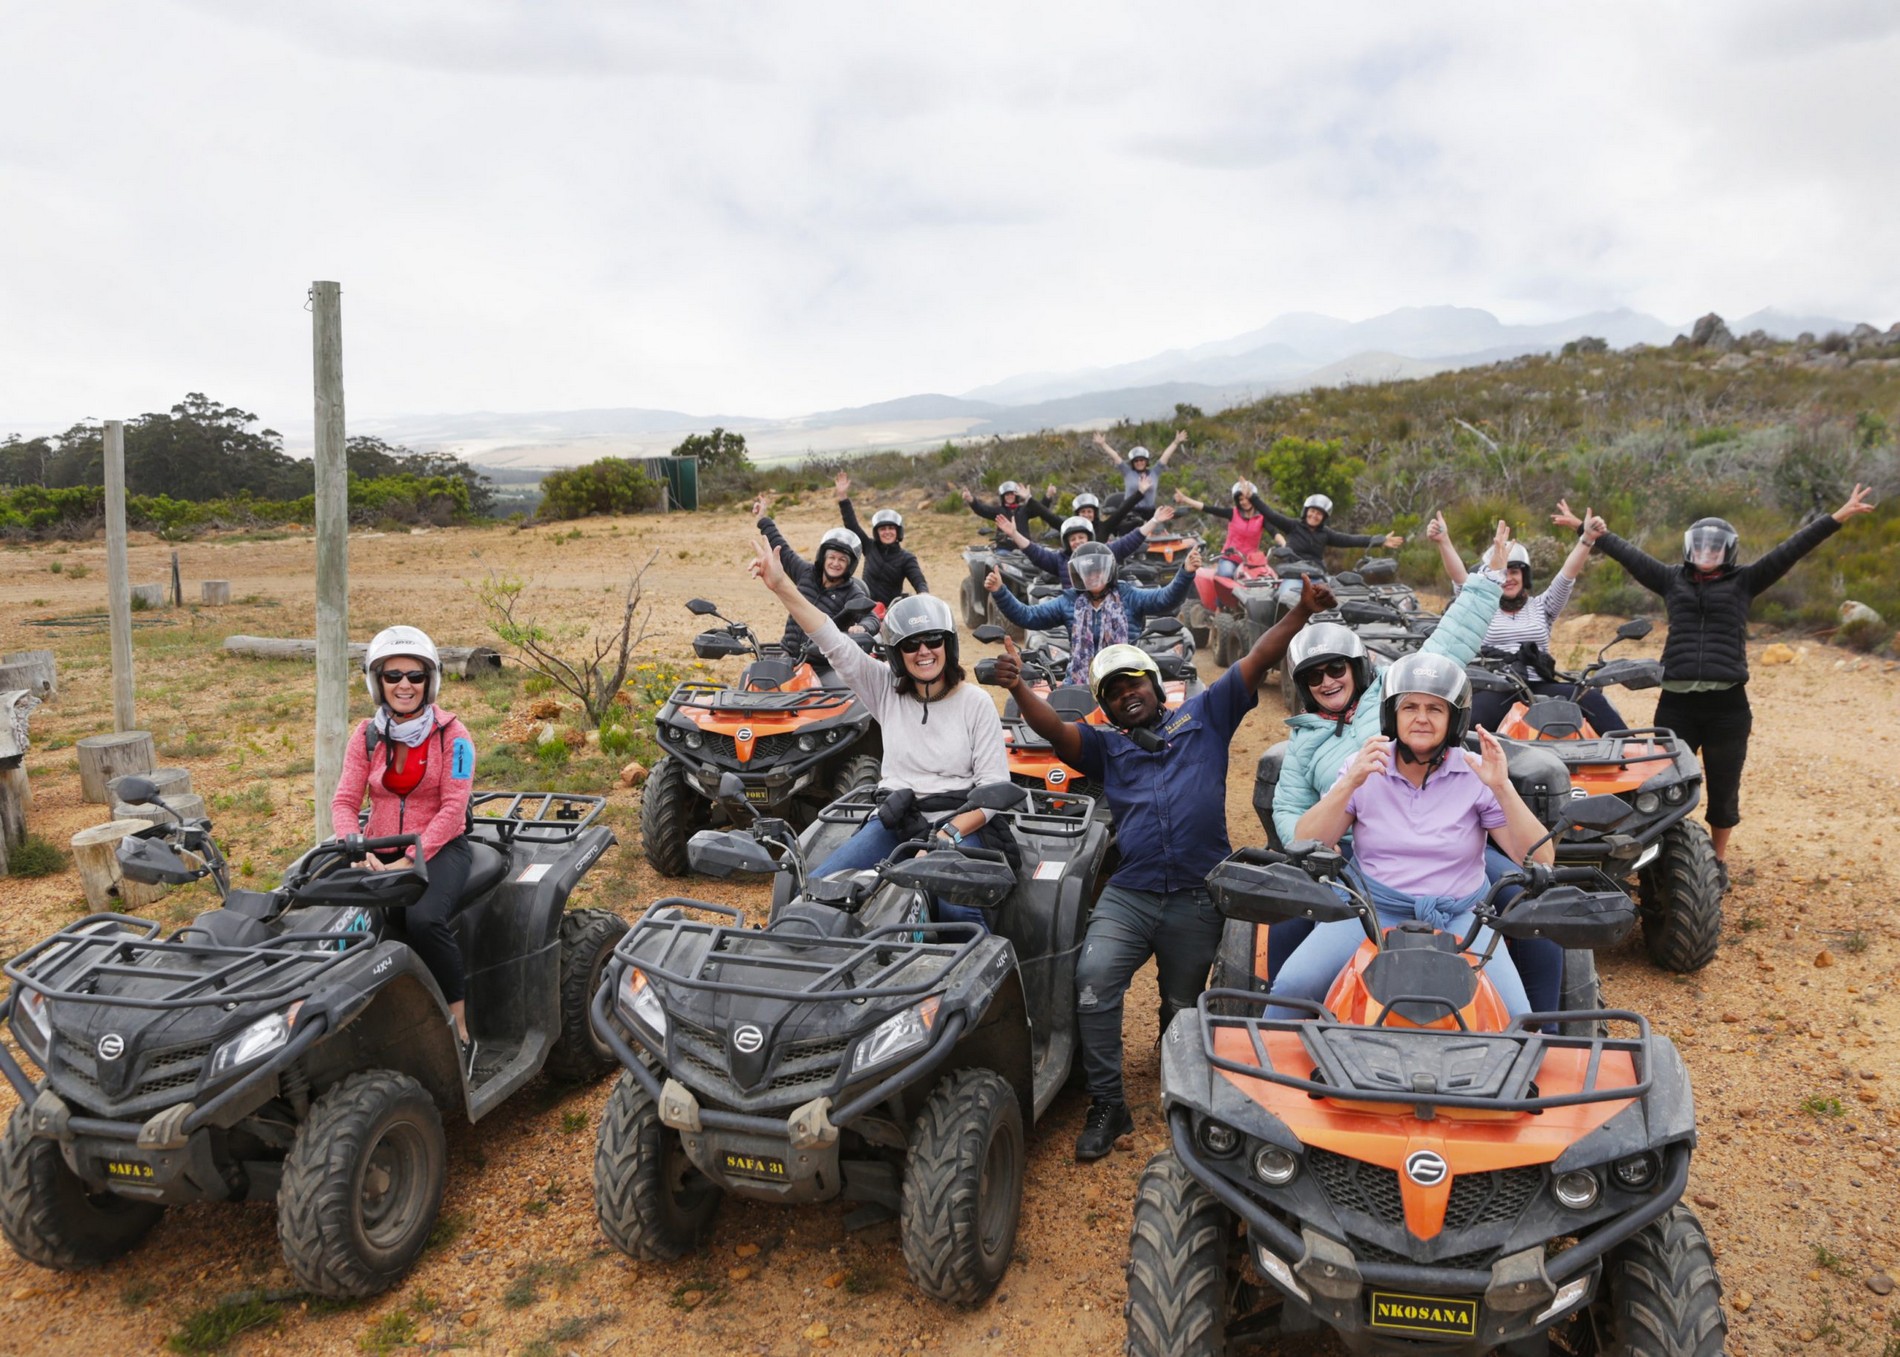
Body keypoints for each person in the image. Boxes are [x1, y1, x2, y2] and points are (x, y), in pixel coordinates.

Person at [988, 575, 1336, 1159]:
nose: (1127, 694)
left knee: (1181, 1003)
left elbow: (1256, 657)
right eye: (1113, 691)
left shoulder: (1206, 718)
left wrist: (1301, 609)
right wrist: (1022, 688)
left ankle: (1176, 1076)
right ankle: (1108, 1103)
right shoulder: (1107, 746)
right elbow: (1052, 731)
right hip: (1132, 891)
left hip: (1199, 894)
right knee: (1094, 981)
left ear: (1153, 684)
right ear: (1107, 705)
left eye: (1134, 682)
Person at [1269, 570, 1558, 1006]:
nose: (1421, 718)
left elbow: (1540, 859)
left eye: (1434, 709)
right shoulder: (1363, 765)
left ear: (1453, 719)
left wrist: (1503, 789)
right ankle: (1268, 1070)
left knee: (1517, 1017)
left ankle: (1547, 1049)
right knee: (1292, 989)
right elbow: (1305, 839)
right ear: (1393, 716)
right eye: (1410, 708)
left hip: (1461, 914)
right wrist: (1348, 783)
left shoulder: (1477, 773)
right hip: (1371, 908)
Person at [1583, 485, 1876, 891]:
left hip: (1727, 707)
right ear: (1689, 548)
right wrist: (1599, 535)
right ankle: (1661, 857)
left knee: (1723, 789)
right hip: (1676, 705)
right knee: (1660, 786)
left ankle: (1717, 862)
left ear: (1728, 550)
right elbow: (1634, 558)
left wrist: (1837, 516)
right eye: (1700, 546)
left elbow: (1792, 549)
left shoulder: (1746, 581)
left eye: (1714, 547)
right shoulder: (1671, 580)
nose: (1706, 552)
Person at [750, 532, 1007, 926]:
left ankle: (960, 980)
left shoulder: (976, 703)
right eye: (911, 644)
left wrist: (944, 837)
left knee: (958, 906)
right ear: (897, 654)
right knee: (819, 890)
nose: (924, 651)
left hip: (959, 823)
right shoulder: (885, 688)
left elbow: (990, 794)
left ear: (948, 644)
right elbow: (833, 641)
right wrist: (783, 586)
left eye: (933, 640)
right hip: (897, 817)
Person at [330, 626, 479, 1057]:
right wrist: (353, 846)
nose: (404, 685)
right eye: (392, 676)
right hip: (376, 847)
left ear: (429, 681)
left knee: (424, 920)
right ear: (377, 682)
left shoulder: (454, 736)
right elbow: (344, 799)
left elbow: (453, 810)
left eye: (415, 676)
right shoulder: (366, 735)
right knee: (332, 916)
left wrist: (408, 860)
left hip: (439, 846)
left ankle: (460, 1027)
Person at [1428, 506, 1626, 734]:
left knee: (1593, 700)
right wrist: (1443, 541)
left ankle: (1635, 754)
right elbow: (1460, 578)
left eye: (1514, 572)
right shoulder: (1481, 607)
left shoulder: (1543, 606)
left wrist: (1587, 539)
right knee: (1467, 723)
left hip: (1537, 683)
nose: (1508, 579)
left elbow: (1567, 575)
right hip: (1496, 686)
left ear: (1524, 575)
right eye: (1503, 572)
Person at [984, 540, 1201, 685]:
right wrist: (1000, 591)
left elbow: (1166, 598)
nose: (1093, 575)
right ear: (1078, 575)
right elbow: (1027, 616)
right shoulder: (1069, 601)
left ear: (1110, 570)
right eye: (1087, 571)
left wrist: (1185, 573)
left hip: (1127, 680)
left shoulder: (1129, 595)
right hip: (1079, 683)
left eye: (1098, 570)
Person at [754, 493, 873, 654]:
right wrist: (763, 519)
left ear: (850, 565)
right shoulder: (806, 573)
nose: (835, 563)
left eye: (842, 560)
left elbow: (872, 618)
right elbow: (780, 546)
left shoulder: (852, 593)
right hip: (789, 654)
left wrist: (862, 627)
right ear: (823, 557)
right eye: (831, 557)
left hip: (823, 662)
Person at [991, 504, 1177, 587]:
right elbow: (1034, 551)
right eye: (1073, 539)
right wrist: (1014, 534)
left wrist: (1153, 520)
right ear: (1067, 542)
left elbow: (1132, 539)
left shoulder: (1106, 553)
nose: (1077, 541)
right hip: (1071, 617)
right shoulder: (1059, 560)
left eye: (1081, 537)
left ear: (1090, 538)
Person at [834, 471, 927, 607]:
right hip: (865, 608)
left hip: (891, 611)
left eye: (891, 528)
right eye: (882, 529)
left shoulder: (906, 558)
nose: (887, 532)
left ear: (898, 531)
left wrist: (924, 593)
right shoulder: (869, 547)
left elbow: (918, 580)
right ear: (877, 532)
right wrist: (843, 497)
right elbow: (851, 524)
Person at [1255, 491, 1405, 572]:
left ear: (1324, 518)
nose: (1314, 516)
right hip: (1291, 575)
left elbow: (1350, 540)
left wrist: (1379, 540)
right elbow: (1271, 515)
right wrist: (1252, 497)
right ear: (1306, 511)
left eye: (1319, 514)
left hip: (1316, 574)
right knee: (1284, 599)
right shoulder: (1293, 526)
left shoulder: (1326, 534)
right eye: (1312, 511)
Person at [1093, 430, 1185, 535]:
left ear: (1146, 461)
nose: (1139, 462)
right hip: (1131, 512)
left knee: (1161, 533)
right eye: (1136, 461)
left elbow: (1165, 456)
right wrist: (1103, 444)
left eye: (1142, 460)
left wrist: (1176, 442)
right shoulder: (1128, 472)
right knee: (1134, 530)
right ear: (1133, 463)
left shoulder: (1154, 472)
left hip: (1150, 511)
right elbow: (1116, 457)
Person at [1174, 480, 1271, 577]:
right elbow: (1208, 508)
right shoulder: (1233, 513)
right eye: (1241, 499)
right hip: (1230, 559)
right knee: (1227, 574)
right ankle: (1218, 575)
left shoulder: (1262, 517)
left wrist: (1284, 545)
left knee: (1265, 577)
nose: (1244, 502)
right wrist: (1185, 499)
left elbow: (1275, 532)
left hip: (1251, 562)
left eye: (1247, 498)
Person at [955, 480, 1064, 541]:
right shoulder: (998, 511)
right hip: (1004, 550)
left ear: (1016, 495)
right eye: (1007, 495)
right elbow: (982, 510)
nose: (1009, 496)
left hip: (1025, 547)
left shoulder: (1024, 510)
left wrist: (1048, 496)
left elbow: (1041, 508)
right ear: (1003, 497)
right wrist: (970, 499)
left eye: (1012, 494)